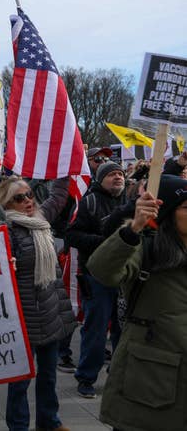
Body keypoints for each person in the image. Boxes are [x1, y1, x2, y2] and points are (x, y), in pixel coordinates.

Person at [86, 174, 187, 431]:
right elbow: (101, 270)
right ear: (168, 213)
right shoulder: (145, 248)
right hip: (150, 382)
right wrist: (133, 230)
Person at [0, 176, 75, 431]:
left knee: (49, 376)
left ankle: (49, 421)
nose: (28, 200)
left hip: (49, 312)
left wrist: (64, 164)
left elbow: (60, 195)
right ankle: (18, 426)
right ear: (6, 203)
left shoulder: (40, 219)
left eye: (29, 194)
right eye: (19, 198)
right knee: (20, 381)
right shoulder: (5, 230)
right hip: (23, 316)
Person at [66, 161, 127, 399]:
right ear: (101, 179)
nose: (118, 177)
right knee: (96, 329)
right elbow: (72, 235)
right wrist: (105, 243)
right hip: (95, 277)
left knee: (123, 330)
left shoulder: (129, 202)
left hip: (124, 277)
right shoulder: (89, 202)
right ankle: (86, 378)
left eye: (120, 174)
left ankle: (119, 375)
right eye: (112, 174)